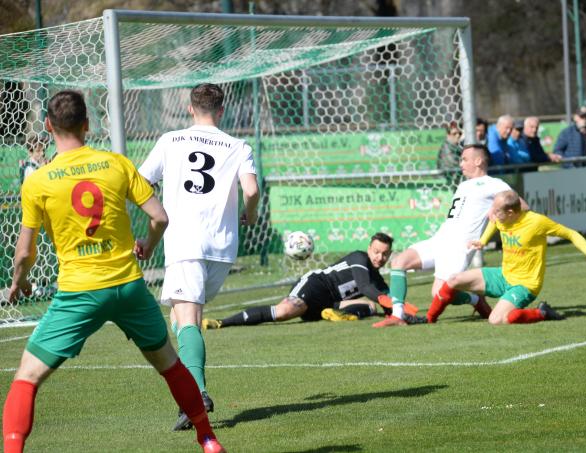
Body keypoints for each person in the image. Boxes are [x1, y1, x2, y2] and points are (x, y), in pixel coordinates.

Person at [2, 90, 225, 453]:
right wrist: (149, 244)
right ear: (87, 125)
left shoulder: (39, 181)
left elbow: (24, 251)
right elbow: (160, 217)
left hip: (80, 292)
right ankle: (208, 439)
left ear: (48, 127)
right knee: (171, 366)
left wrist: (19, 281)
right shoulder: (115, 164)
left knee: (26, 378)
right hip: (129, 288)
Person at [138, 83, 260, 431]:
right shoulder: (238, 146)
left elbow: (142, 181)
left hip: (186, 242)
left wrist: (154, 218)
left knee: (187, 319)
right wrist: (250, 216)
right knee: (180, 316)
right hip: (222, 249)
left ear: (190, 109)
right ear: (221, 111)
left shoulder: (171, 140)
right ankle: (193, 393)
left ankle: (198, 396)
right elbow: (251, 190)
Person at [374, 144, 516, 327]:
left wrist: (498, 213)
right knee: (399, 262)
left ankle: (475, 299)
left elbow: (520, 205)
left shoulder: (495, 184)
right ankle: (397, 316)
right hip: (440, 240)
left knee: (438, 292)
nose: (461, 163)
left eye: (465, 159)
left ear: (479, 161)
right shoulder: (464, 185)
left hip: (459, 247)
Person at [428, 190, 586, 325]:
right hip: (504, 275)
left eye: (496, 210)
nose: (491, 213)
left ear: (511, 213)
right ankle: (429, 320)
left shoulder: (536, 222)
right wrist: (482, 241)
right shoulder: (501, 217)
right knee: (453, 280)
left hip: (525, 284)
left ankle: (542, 313)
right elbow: (494, 221)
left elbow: (570, 233)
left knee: (497, 320)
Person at [201, 233, 410, 327]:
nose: (379, 257)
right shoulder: (359, 258)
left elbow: (386, 298)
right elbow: (365, 287)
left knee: (371, 307)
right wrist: (390, 302)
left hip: (330, 303)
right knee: (283, 312)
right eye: (376, 252)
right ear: (369, 249)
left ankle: (337, 314)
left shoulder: (377, 277)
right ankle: (222, 322)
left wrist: (404, 312)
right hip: (316, 286)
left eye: (384, 254)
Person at [438, 121, 464, 187]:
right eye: (454, 134)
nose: (458, 136)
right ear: (448, 135)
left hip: (456, 181)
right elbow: (453, 163)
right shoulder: (446, 147)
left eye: (460, 133)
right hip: (448, 182)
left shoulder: (457, 146)